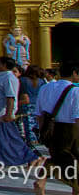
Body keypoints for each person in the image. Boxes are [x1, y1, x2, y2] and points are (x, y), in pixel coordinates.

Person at [0, 56, 44, 169]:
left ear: (4, 65)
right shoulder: (0, 77)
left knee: (6, 139)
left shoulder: (9, 78)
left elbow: (10, 97)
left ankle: (31, 157)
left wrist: (9, 114)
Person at [32, 60, 79, 195]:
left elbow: (39, 113)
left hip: (50, 128)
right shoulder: (76, 91)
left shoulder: (45, 88)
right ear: (74, 73)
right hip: (71, 130)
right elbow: (77, 116)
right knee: (73, 160)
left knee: (58, 157)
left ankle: (42, 179)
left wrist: (43, 132)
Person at [19, 64, 43, 148]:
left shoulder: (23, 80)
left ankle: (31, 140)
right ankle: (37, 139)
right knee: (37, 122)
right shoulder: (41, 81)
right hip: (38, 103)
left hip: (27, 104)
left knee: (28, 123)